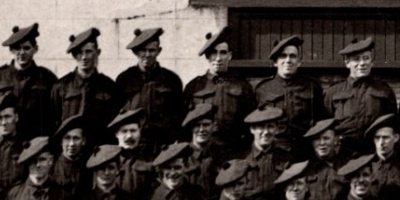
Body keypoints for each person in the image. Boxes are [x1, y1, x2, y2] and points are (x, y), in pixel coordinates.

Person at [184, 27, 256, 156]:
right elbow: (184, 123)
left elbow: (251, 122)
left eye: (223, 53)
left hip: (232, 151)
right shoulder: (194, 86)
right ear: (207, 56)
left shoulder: (242, 86)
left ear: (229, 56)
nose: (218, 58)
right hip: (201, 152)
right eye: (213, 53)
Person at [115, 26, 186, 150]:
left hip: (161, 146)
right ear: (136, 52)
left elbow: (179, 115)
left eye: (152, 50)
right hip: (132, 144)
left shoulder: (171, 80)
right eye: (143, 50)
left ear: (159, 51)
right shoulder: (124, 79)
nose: (147, 55)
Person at [253, 35, 324, 158]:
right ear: (275, 62)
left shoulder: (312, 86)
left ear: (299, 62)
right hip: (272, 151)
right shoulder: (262, 89)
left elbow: (321, 121)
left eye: (292, 56)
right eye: (283, 56)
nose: (288, 60)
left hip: (303, 150)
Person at [325, 37, 398, 152]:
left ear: (372, 62)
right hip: (342, 152)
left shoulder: (384, 90)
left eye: (366, 58)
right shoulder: (334, 92)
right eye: (356, 59)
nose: (362, 63)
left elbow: (393, 124)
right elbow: (324, 125)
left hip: (373, 151)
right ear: (347, 63)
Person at [0, 23, 57, 142]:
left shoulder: (47, 77)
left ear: (35, 49)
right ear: (11, 50)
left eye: (26, 48)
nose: (22, 52)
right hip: (7, 143)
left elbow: (55, 115)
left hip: (35, 143)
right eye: (17, 48)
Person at [51, 28, 121, 145]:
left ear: (98, 52)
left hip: (98, 149)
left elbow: (114, 124)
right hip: (71, 148)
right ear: (74, 55)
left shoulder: (109, 86)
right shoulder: (61, 86)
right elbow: (53, 123)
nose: (84, 57)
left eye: (88, 51)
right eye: (79, 52)